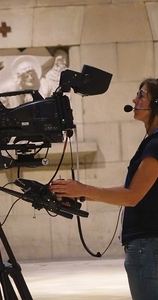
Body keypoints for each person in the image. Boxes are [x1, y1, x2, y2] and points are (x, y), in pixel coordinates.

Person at [50, 78, 158, 299]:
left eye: (141, 95)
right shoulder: (151, 142)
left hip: (148, 246)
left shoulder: (156, 144)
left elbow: (132, 196)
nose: (134, 99)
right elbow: (132, 188)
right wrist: (81, 192)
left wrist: (84, 188)